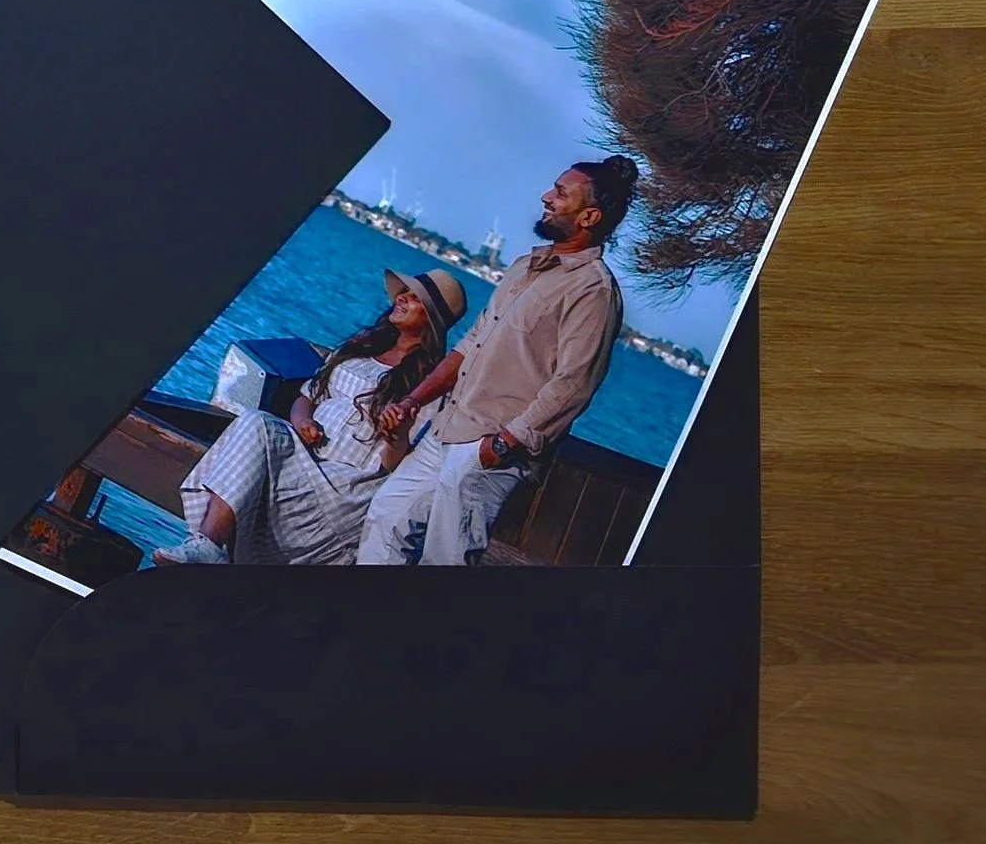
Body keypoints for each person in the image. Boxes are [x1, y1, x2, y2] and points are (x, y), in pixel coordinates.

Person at [356, 156, 637, 566]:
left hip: (488, 447)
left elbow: (574, 384)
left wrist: (503, 444)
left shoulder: (593, 291)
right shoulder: (525, 266)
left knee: (446, 564)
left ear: (589, 216)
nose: (546, 197)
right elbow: (470, 344)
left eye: (561, 193)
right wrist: (414, 401)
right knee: (385, 520)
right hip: (446, 429)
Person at [152, 267, 467, 566]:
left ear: (432, 319)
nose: (401, 298)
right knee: (254, 421)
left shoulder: (425, 386)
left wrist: (396, 433)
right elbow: (308, 396)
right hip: (305, 454)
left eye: (414, 298)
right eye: (404, 292)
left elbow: (399, 463)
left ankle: (209, 545)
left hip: (347, 482)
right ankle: (209, 544)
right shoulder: (363, 347)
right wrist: (303, 421)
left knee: (257, 426)